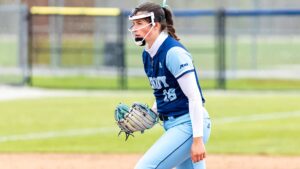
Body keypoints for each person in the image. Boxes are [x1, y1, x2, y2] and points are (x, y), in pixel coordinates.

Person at [128, 2, 211, 169]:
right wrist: (152, 113)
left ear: (155, 25)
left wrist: (197, 140)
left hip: (189, 125)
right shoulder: (147, 54)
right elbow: (165, 91)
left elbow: (194, 97)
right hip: (174, 125)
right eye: (133, 24)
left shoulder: (173, 52)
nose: (134, 28)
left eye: (139, 23)